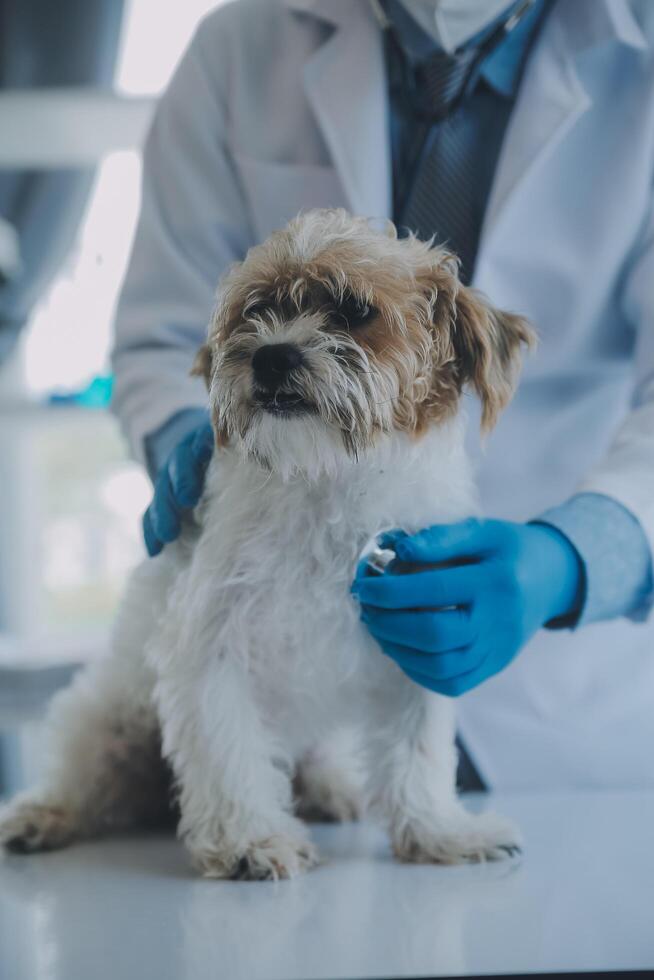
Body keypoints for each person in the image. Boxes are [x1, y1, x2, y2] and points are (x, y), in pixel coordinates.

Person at [111, 0, 654, 792]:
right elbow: (164, 332)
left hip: (567, 712)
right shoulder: (243, 44)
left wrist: (570, 561)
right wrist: (189, 445)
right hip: (290, 715)